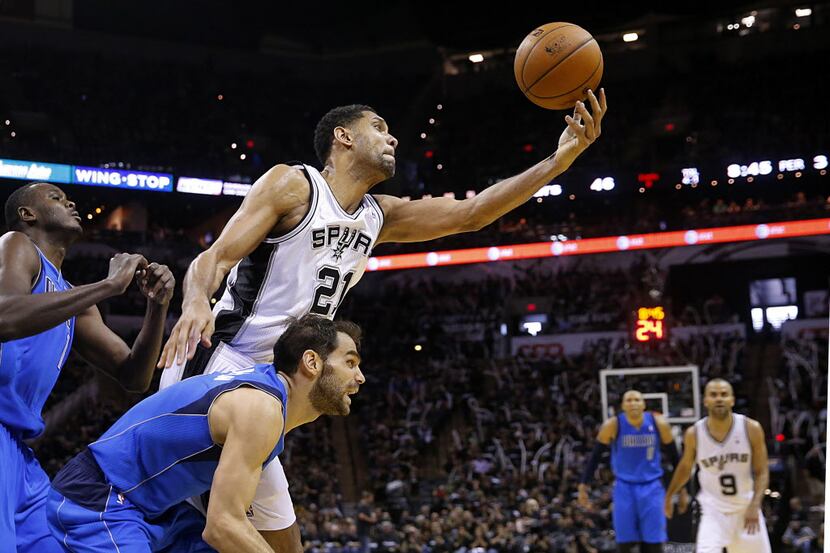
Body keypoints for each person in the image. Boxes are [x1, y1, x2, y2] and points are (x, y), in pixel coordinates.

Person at [156, 91, 607, 549]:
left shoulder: (379, 215)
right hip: (220, 360)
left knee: (276, 542)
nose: (392, 137)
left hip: (274, 383)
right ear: (343, 136)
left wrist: (557, 161)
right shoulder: (293, 185)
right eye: (379, 126)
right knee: (203, 525)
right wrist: (195, 299)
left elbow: (472, 215)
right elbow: (213, 258)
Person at [47, 314, 364, 552]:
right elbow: (222, 525)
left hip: (156, 511)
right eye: (350, 363)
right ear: (311, 362)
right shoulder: (261, 408)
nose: (360, 377)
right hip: (101, 498)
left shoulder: (265, 393)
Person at [0, 182, 175, 551]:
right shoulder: (16, 245)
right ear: (27, 214)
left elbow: (134, 376)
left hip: (20, 455)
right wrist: (110, 285)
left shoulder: (74, 299)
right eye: (56, 198)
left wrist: (156, 306)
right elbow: (3, 316)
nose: (71, 202)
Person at [664, 378, 772, 553]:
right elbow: (685, 468)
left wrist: (755, 505)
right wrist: (670, 495)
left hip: (745, 508)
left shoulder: (751, 428)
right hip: (713, 512)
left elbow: (762, 472)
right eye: (713, 395)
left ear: (732, 400)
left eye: (724, 394)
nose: (719, 399)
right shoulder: (694, 433)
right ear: (705, 400)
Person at [577, 389, 686, 553]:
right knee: (625, 541)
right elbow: (595, 457)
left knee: (654, 541)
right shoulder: (613, 425)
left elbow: (674, 457)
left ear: (644, 404)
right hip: (624, 487)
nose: (633, 403)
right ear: (623, 405)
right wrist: (583, 485)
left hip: (652, 487)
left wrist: (682, 488)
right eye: (629, 400)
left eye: (637, 400)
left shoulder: (658, 423)